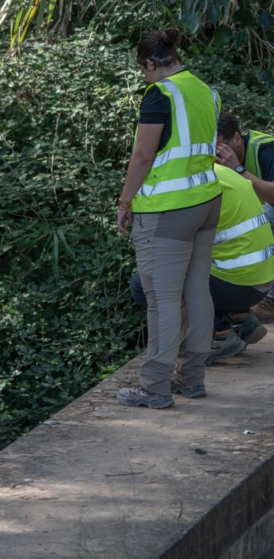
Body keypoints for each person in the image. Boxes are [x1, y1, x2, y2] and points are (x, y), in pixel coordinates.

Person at [117, 28, 221, 409]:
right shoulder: (206, 91)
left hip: (168, 210)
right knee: (197, 291)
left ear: (149, 64)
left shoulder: (159, 94)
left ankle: (155, 387)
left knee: (162, 300)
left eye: (143, 71)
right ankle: (192, 379)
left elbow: (143, 156)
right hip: (207, 201)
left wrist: (125, 201)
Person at [130, 164, 274, 367]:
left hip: (240, 283)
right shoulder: (218, 171)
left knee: (143, 282)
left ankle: (217, 337)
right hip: (261, 279)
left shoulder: (187, 189)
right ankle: (238, 318)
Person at [215, 111, 274, 323]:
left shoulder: (265, 150)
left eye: (220, 148)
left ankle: (272, 299)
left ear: (237, 139)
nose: (216, 156)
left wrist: (238, 170)